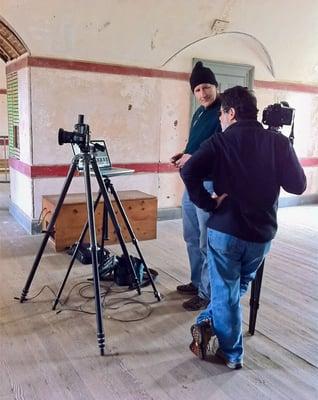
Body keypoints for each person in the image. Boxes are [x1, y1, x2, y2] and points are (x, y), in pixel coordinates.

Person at [180, 86, 306, 369]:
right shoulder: (277, 142)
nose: (221, 120)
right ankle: (211, 321)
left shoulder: (219, 142)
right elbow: (298, 186)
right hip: (260, 236)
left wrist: (208, 204)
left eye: (222, 115)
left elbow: (188, 171)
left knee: (225, 292)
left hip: (225, 231)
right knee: (235, 288)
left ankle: (231, 353)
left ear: (231, 113)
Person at [171, 61, 221, 311]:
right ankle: (195, 281)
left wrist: (194, 157)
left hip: (209, 181)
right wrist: (185, 154)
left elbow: (219, 147)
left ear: (216, 86)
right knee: (191, 236)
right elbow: (197, 144)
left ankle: (207, 292)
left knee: (206, 240)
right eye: (198, 90)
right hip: (191, 181)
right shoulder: (200, 112)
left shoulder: (223, 112)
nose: (202, 93)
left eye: (206, 87)